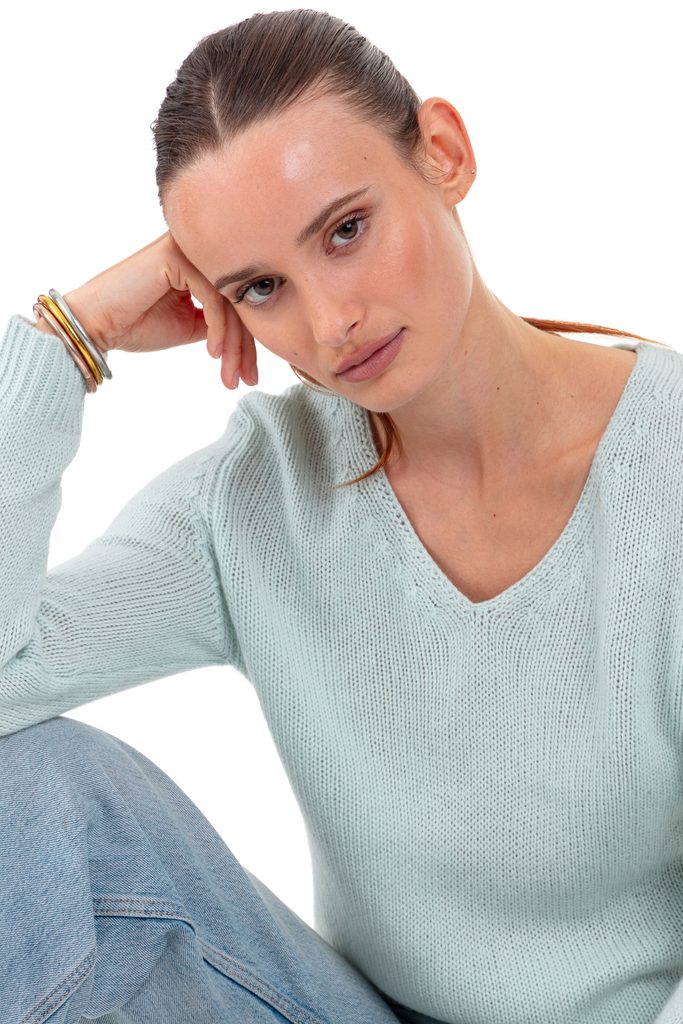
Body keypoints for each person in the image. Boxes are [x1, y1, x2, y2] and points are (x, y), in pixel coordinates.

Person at [1, 8, 681, 1024]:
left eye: (346, 231)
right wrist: (69, 336)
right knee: (28, 790)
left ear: (442, 153)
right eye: (261, 287)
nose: (328, 323)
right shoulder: (254, 496)